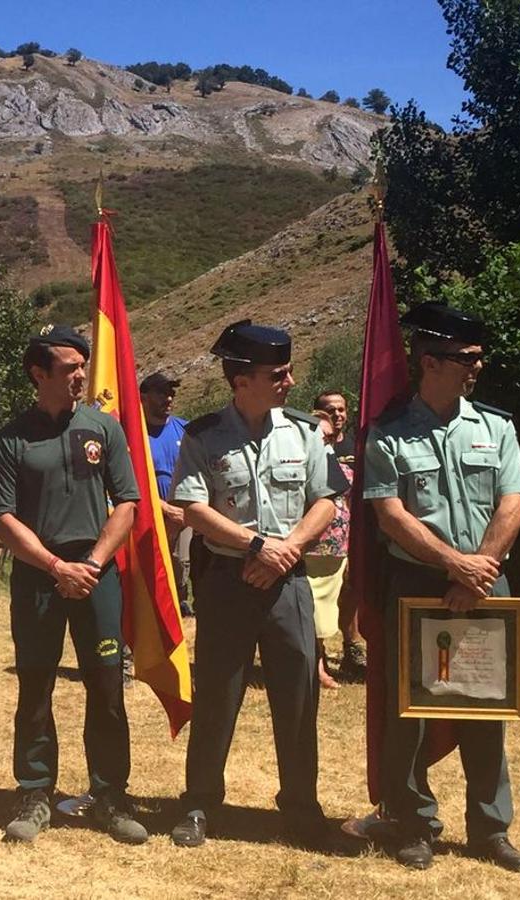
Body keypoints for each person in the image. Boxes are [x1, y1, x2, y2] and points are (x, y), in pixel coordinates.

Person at [363, 302, 520, 872]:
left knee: (486, 707)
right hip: (418, 581)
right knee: (410, 713)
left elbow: (514, 501)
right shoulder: (388, 432)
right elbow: (389, 512)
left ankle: (490, 827)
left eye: (478, 357)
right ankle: (413, 822)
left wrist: (478, 566)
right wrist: (453, 565)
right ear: (430, 361)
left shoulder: (496, 426)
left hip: (484, 581)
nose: (476, 367)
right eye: (467, 358)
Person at [168, 320, 342, 849]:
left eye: (288, 372)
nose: (289, 381)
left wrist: (284, 551)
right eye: (278, 374)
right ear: (242, 380)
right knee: (218, 695)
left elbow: (325, 501)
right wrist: (254, 547)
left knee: (297, 696)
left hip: (287, 583)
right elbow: (192, 506)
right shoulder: (203, 436)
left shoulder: (305, 433)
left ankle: (301, 807)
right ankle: (199, 803)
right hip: (227, 580)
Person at [0, 324, 147, 846]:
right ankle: (34, 792)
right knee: (35, 687)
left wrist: (93, 564)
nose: (80, 375)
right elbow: (4, 519)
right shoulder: (13, 437)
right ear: (39, 374)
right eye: (68, 367)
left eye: (83, 365)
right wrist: (58, 568)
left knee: (105, 687)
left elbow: (128, 503)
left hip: (96, 576)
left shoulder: (104, 428)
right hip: (39, 577)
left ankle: (109, 794)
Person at [314, 390, 366, 682]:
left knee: (351, 591)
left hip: (352, 532)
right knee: (319, 596)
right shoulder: (312, 443)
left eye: (341, 409)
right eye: (329, 410)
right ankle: (318, 658)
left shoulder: (356, 446)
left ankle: (352, 649)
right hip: (320, 537)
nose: (337, 415)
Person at [305, 410, 351, 690]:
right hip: (308, 547)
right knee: (310, 612)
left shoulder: (338, 461)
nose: (326, 437)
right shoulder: (303, 462)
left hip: (337, 548)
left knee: (325, 612)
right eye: (321, 433)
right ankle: (316, 667)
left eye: (329, 434)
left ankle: (317, 663)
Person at [140, 372, 193, 618]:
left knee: (181, 561)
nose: (169, 398)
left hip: (183, 511)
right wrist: (160, 506)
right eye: (162, 392)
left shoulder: (185, 429)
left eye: (171, 393)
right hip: (146, 511)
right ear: (144, 396)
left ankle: (180, 601)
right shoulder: (134, 431)